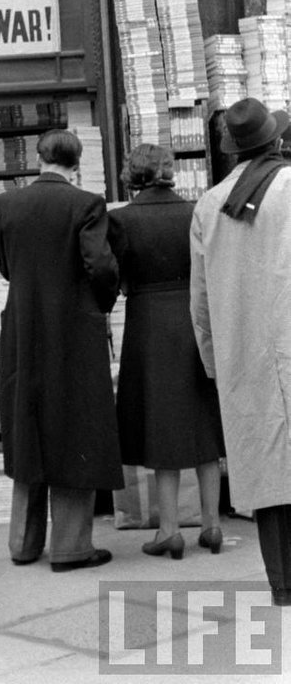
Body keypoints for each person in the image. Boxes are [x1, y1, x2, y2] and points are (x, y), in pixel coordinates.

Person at [0, 127, 122, 571]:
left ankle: (23, 543)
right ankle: (71, 546)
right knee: (75, 426)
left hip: (23, 326)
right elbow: (100, 264)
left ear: (39, 158)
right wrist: (101, 303)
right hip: (73, 328)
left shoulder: (5, 204)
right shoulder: (87, 204)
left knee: (26, 425)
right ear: (76, 163)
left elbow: (6, 266)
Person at [190, 96, 291, 605]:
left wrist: (215, 364)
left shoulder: (209, 205)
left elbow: (200, 301)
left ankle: (283, 585)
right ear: (276, 139)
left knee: (269, 473)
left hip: (244, 356)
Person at [108, 144, 224, 560]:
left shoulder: (121, 219)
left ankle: (170, 529)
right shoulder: (195, 211)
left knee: (162, 423)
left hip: (148, 323)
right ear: (168, 171)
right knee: (203, 420)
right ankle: (212, 525)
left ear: (132, 174)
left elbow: (116, 276)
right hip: (194, 318)